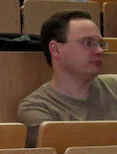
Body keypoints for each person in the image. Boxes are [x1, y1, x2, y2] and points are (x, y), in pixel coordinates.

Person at [18, 10, 117, 146]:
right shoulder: (35, 108)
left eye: (100, 44)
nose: (100, 50)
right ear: (55, 49)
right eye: (88, 43)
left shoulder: (114, 85)